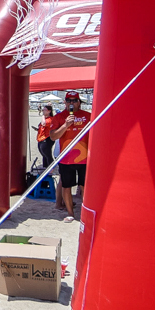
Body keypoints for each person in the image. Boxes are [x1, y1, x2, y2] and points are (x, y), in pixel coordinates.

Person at [47, 91, 91, 221]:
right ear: (65, 102)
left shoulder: (88, 116)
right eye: (69, 100)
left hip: (84, 158)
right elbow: (53, 136)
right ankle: (70, 213)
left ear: (79, 102)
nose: (72, 103)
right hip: (66, 158)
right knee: (66, 185)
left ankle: (85, 212)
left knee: (84, 186)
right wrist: (66, 125)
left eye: (74, 100)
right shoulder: (59, 117)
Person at [35, 104, 56, 169]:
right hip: (41, 138)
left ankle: (51, 168)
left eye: (44, 110)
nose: (43, 111)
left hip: (47, 138)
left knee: (47, 154)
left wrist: (43, 116)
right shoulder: (46, 118)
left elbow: (44, 123)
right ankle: (45, 167)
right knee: (44, 154)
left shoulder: (50, 119)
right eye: (43, 110)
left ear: (49, 111)